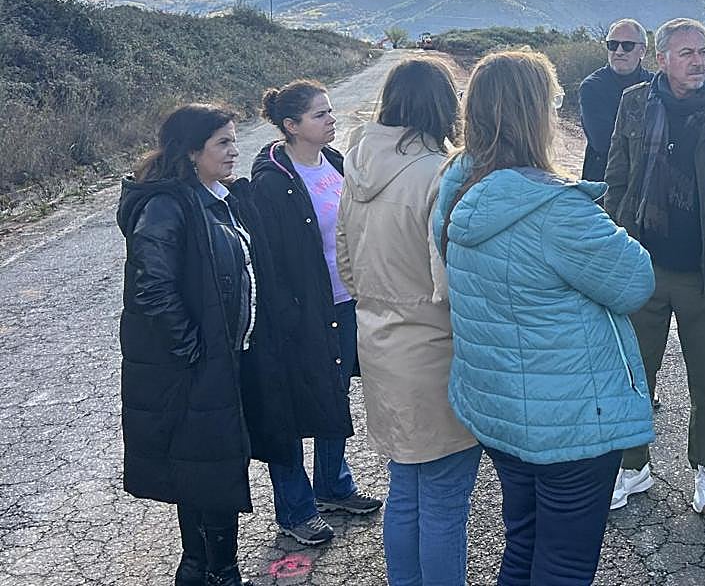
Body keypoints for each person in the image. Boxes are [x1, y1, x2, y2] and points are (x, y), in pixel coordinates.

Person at [433, 49, 655, 585]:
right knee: (566, 563)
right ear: (535, 114)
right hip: (571, 420)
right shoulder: (556, 209)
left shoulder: (457, 185)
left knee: (525, 541)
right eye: (553, 101)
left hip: (501, 409)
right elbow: (635, 282)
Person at [117, 103, 300, 586]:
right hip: (198, 365)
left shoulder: (218, 196)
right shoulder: (168, 205)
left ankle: (212, 569)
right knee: (207, 473)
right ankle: (213, 572)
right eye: (223, 142)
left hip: (226, 359)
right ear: (191, 150)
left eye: (235, 140)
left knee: (211, 470)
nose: (234, 151)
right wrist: (192, 351)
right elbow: (150, 288)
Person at [604, 17, 705, 514]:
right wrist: (616, 246)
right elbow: (617, 178)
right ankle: (634, 466)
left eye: (704, 51)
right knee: (636, 373)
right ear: (662, 59)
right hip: (643, 269)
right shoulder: (634, 105)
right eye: (687, 53)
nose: (699, 61)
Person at [336, 58, 481, 586]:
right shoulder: (439, 174)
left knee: (405, 491)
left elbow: (346, 264)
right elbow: (455, 279)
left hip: (379, 344)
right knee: (444, 501)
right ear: (443, 106)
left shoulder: (355, 166)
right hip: (435, 351)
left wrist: (383, 305)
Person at [251, 80, 381, 546]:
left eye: (330, 112)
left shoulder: (333, 162)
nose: (331, 120)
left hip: (344, 304)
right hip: (300, 314)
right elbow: (269, 260)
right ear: (291, 126)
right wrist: (288, 316)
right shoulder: (272, 182)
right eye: (320, 115)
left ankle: (333, 487)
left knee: (335, 396)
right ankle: (295, 508)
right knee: (288, 410)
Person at [578, 18, 652, 182]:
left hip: (646, 182)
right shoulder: (592, 87)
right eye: (612, 44)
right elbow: (602, 143)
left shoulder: (655, 85)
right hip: (603, 183)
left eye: (627, 45)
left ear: (642, 51)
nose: (619, 51)